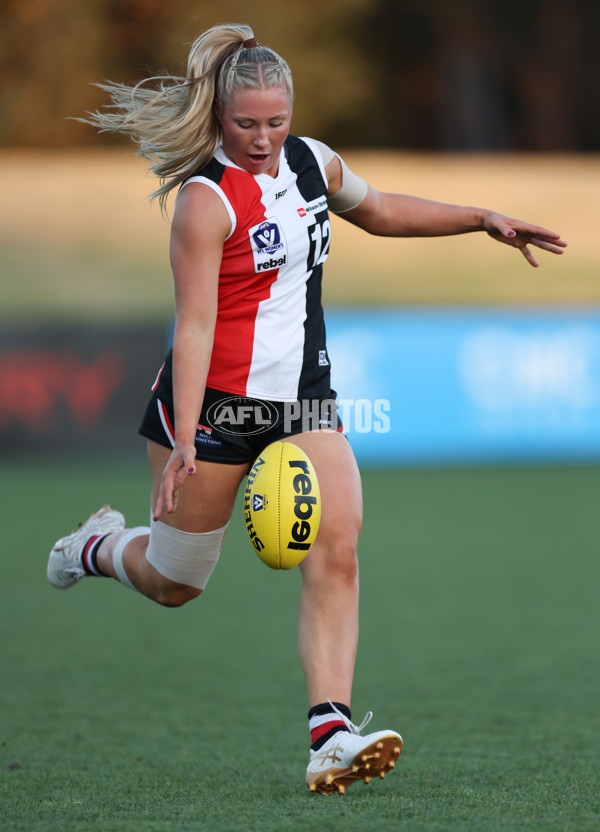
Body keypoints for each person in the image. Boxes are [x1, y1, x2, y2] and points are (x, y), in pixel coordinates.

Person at [47, 23, 567, 794]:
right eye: (246, 123)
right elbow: (190, 327)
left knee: (339, 548)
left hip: (306, 401)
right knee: (174, 581)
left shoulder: (312, 162)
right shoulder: (204, 201)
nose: (263, 139)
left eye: (276, 120)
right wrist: (188, 434)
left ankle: (330, 732)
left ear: (292, 112)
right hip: (217, 408)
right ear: (219, 116)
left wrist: (480, 216)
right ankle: (94, 547)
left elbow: (382, 209)